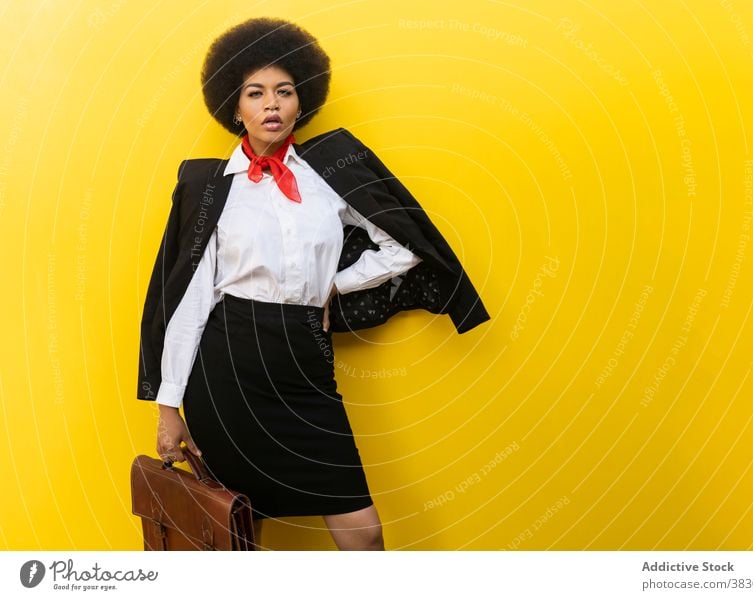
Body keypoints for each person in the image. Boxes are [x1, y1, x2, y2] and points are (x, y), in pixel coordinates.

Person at [137, 17, 490, 551]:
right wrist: (168, 410)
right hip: (226, 364)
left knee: (363, 533)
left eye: (284, 91)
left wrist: (334, 286)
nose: (271, 104)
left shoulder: (331, 172)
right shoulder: (207, 186)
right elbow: (188, 300)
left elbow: (402, 243)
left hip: (305, 355)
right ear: (236, 107)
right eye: (255, 93)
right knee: (233, 525)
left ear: (303, 101)